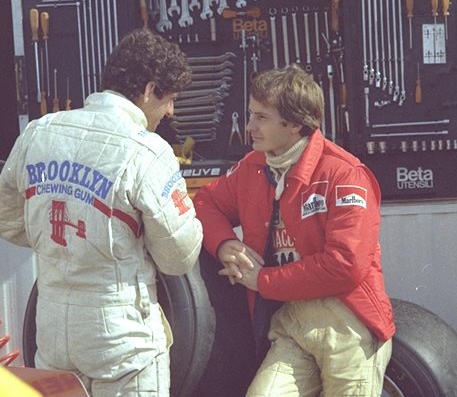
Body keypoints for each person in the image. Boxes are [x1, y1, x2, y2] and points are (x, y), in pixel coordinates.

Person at [0, 28, 203, 397]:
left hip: (53, 334)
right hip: (123, 341)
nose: (171, 111)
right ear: (147, 89)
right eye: (169, 99)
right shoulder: (148, 151)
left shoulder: (38, 132)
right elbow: (178, 256)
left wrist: (62, 246)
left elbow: (7, 218)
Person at [194, 64, 395, 396]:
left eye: (261, 117)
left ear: (295, 123)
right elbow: (205, 202)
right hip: (290, 325)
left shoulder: (344, 175)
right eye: (250, 114)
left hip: (349, 327)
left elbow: (344, 266)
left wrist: (261, 280)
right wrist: (225, 243)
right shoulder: (253, 166)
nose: (249, 126)